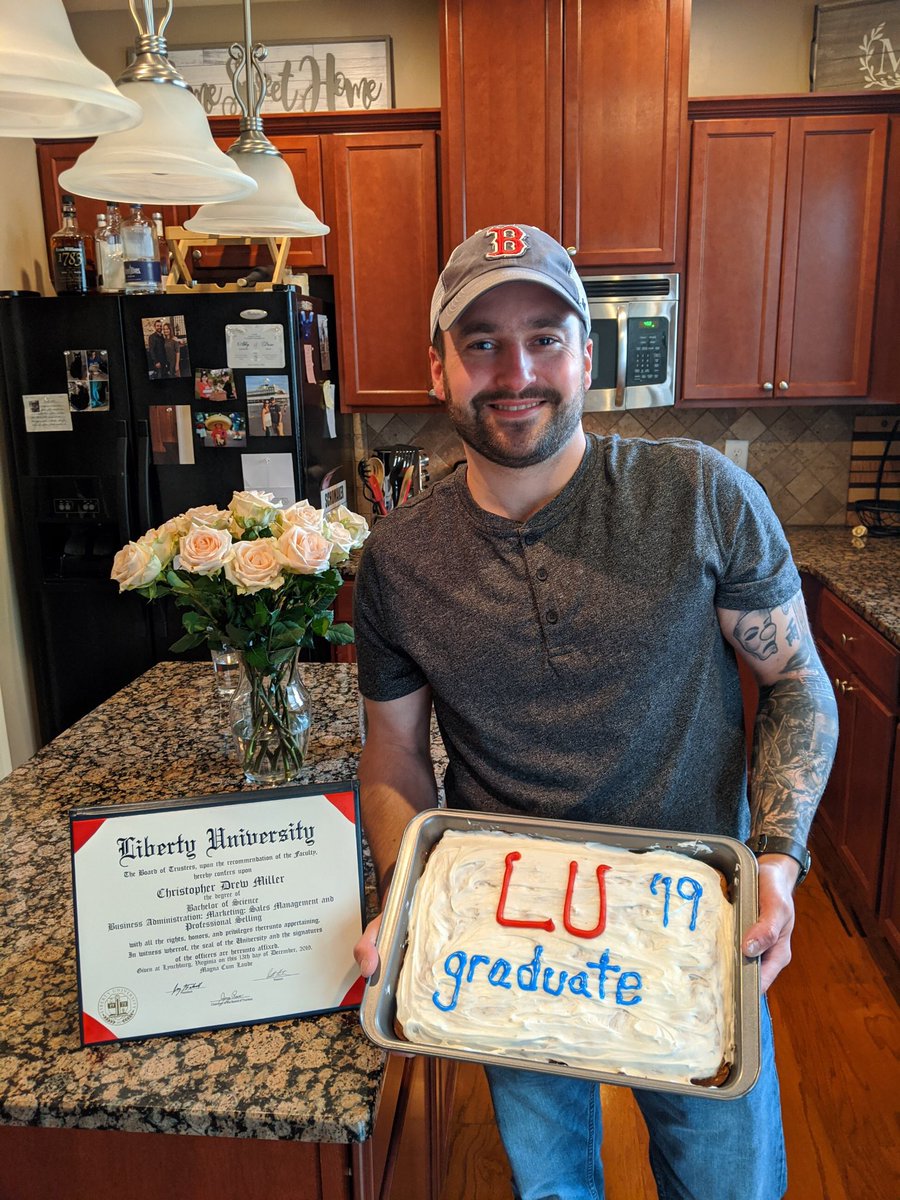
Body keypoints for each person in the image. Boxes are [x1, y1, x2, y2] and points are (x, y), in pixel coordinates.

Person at [351, 224, 838, 1200]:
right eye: (481, 340)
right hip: (509, 934)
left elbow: (798, 682)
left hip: (691, 920)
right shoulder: (398, 563)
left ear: (587, 354)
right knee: (550, 1188)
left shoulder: (702, 495)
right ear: (438, 367)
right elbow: (393, 756)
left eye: (543, 335)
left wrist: (777, 867)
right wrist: (409, 902)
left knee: (725, 1184)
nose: (515, 369)